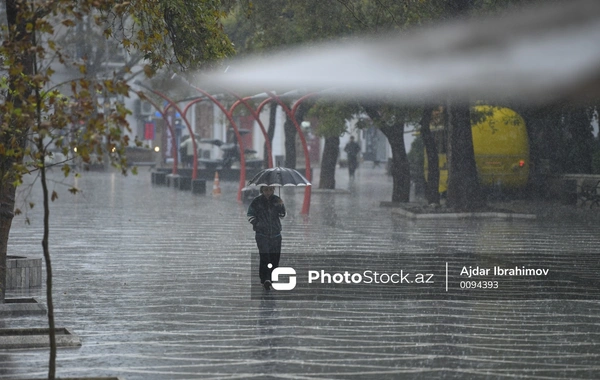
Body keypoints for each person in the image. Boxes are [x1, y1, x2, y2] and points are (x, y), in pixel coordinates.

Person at [247, 186, 286, 290]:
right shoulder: (257, 201)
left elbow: (282, 215)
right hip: (261, 234)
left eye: (270, 190)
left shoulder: (277, 200)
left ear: (273, 190)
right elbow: (250, 215)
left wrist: (281, 208)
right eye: (265, 190)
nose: (268, 192)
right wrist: (257, 224)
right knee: (265, 256)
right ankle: (265, 278)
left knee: (275, 258)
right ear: (262, 191)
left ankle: (271, 277)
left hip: (276, 234)